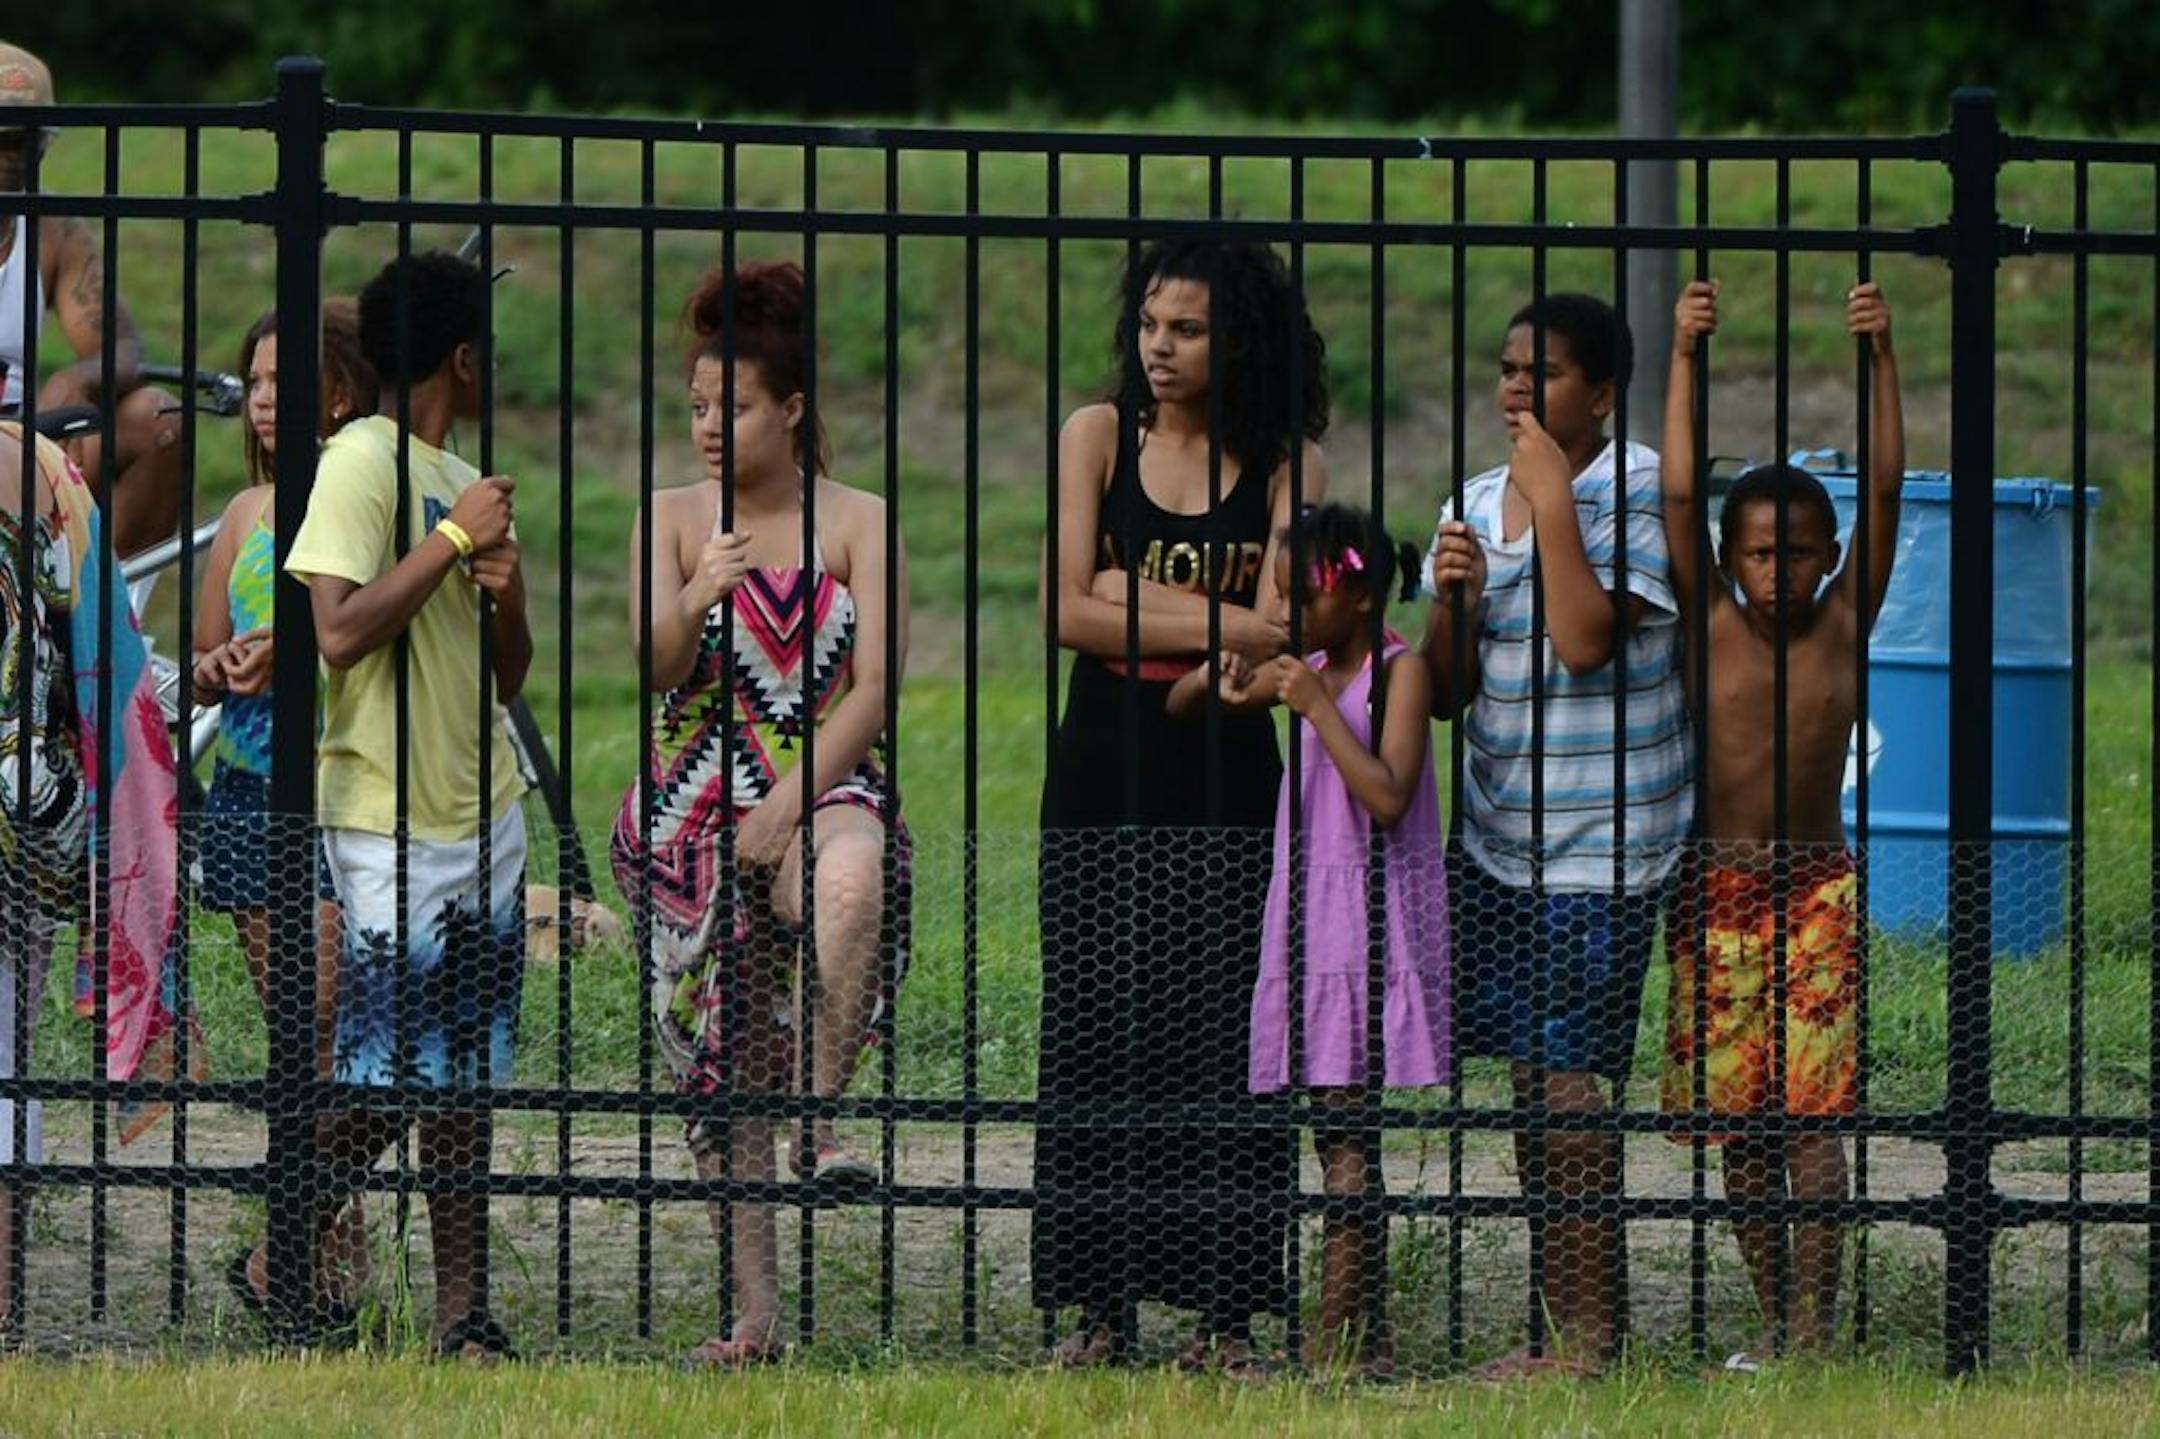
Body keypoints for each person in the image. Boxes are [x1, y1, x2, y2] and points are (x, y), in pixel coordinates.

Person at [609, 258, 908, 1368]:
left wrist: (789, 801)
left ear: (789, 410)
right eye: (696, 407)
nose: (707, 427)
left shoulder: (860, 520)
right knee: (726, 1051)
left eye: (731, 406)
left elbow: (874, 691)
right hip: (695, 796)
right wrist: (696, 592)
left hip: (824, 781)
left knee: (850, 880)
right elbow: (653, 666)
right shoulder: (670, 518)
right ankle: (755, 1320)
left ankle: (820, 1119)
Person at [1035, 238, 1324, 1376]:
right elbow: (1068, 611)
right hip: (1103, 756)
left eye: (1188, 329)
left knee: (1225, 1026)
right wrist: (1223, 619)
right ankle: (1100, 1306)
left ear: (1236, 339)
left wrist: (1129, 589)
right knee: (1097, 1015)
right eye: (1151, 324)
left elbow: (1283, 633)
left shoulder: (1283, 462)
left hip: (1227, 758)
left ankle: (1228, 1314)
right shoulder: (1096, 435)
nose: (1160, 347)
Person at [1421, 292, 1690, 1376]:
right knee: (1533, 1088)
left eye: (1546, 373)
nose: (1517, 389)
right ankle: (1567, 1318)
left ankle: (1589, 1337)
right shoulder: (1475, 500)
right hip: (1501, 835)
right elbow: (1447, 692)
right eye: (1507, 369)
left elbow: (1585, 641)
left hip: (1605, 839)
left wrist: (1553, 504)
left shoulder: (1641, 486)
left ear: (1605, 392)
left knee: (1571, 1088)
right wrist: (1454, 603)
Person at [280, 250, 532, 1359]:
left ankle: (460, 1314)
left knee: (463, 1080)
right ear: (462, 358)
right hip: (386, 812)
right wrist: (453, 539)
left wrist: (505, 593)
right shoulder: (358, 460)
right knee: (387, 1077)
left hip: (484, 809)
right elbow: (337, 630)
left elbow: (509, 674)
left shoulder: (461, 472)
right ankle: (282, 1244)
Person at [1657, 278, 1903, 1357]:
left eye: (1799, 549)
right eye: (1759, 552)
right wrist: (1685, 353)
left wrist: (1880, 356)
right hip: (1712, 892)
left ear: (1831, 553)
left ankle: (1814, 1326)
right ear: (1728, 559)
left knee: (1813, 1115)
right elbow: (1678, 494)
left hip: (1815, 892)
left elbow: (1886, 487)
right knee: (1739, 1127)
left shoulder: (1844, 621)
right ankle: (1773, 1315)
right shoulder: (1709, 620)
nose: (1779, 568)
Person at [1177, 501, 1448, 1379]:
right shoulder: (1311, 670)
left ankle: (1336, 1342)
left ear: (1360, 596)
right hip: (1309, 919)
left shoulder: (1400, 673)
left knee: (1346, 1138)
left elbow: (1390, 795)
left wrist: (1317, 707)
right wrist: (1221, 675)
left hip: (1369, 922)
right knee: (1337, 1136)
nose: (1286, 614)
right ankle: (1366, 1337)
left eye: (1303, 597)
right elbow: (1187, 703)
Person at [199, 302, 377, 1326]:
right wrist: (222, 662)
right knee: (306, 1034)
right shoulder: (243, 515)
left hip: (350, 792)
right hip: (252, 797)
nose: (263, 400)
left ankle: (291, 1243)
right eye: (256, 382)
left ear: (340, 393)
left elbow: (375, 635)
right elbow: (204, 653)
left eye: (285, 381)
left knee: (351, 1034)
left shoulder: (365, 500)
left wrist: (298, 654)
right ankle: (317, 1257)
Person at [0, 419, 192, 1345]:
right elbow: (99, 651)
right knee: (4, 1053)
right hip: (28, 803)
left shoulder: (41, 463)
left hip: (20, 805)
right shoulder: (44, 468)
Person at [0, 42, 185, 560]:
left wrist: (81, 378)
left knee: (158, 418)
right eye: (3, 140)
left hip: (24, 438)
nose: (15, 157)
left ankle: (101, 596)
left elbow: (123, 345)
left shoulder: (52, 230)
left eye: (30, 140)